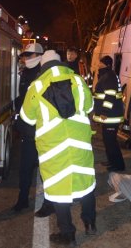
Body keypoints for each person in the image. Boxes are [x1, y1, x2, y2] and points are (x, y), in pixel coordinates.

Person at [20, 50, 97, 246]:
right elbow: (89, 107)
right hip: (79, 144)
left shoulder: (36, 86)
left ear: (43, 66)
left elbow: (27, 117)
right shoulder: (78, 81)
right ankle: (90, 223)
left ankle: (68, 234)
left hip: (53, 148)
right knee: (86, 183)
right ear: (60, 62)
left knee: (58, 190)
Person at [10, 42, 52, 214]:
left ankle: (49, 202)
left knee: (47, 169)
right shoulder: (26, 73)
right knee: (25, 167)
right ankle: (23, 199)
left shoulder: (45, 75)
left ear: (39, 56)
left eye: (29, 55)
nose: (25, 58)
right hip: (28, 130)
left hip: (43, 131)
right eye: (24, 56)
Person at [92, 55, 126, 172]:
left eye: (100, 63)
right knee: (108, 141)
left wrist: (104, 112)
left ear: (106, 64)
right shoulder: (107, 75)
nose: (98, 65)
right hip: (111, 115)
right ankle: (112, 161)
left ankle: (118, 165)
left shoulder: (109, 76)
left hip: (111, 115)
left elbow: (110, 95)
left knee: (111, 142)